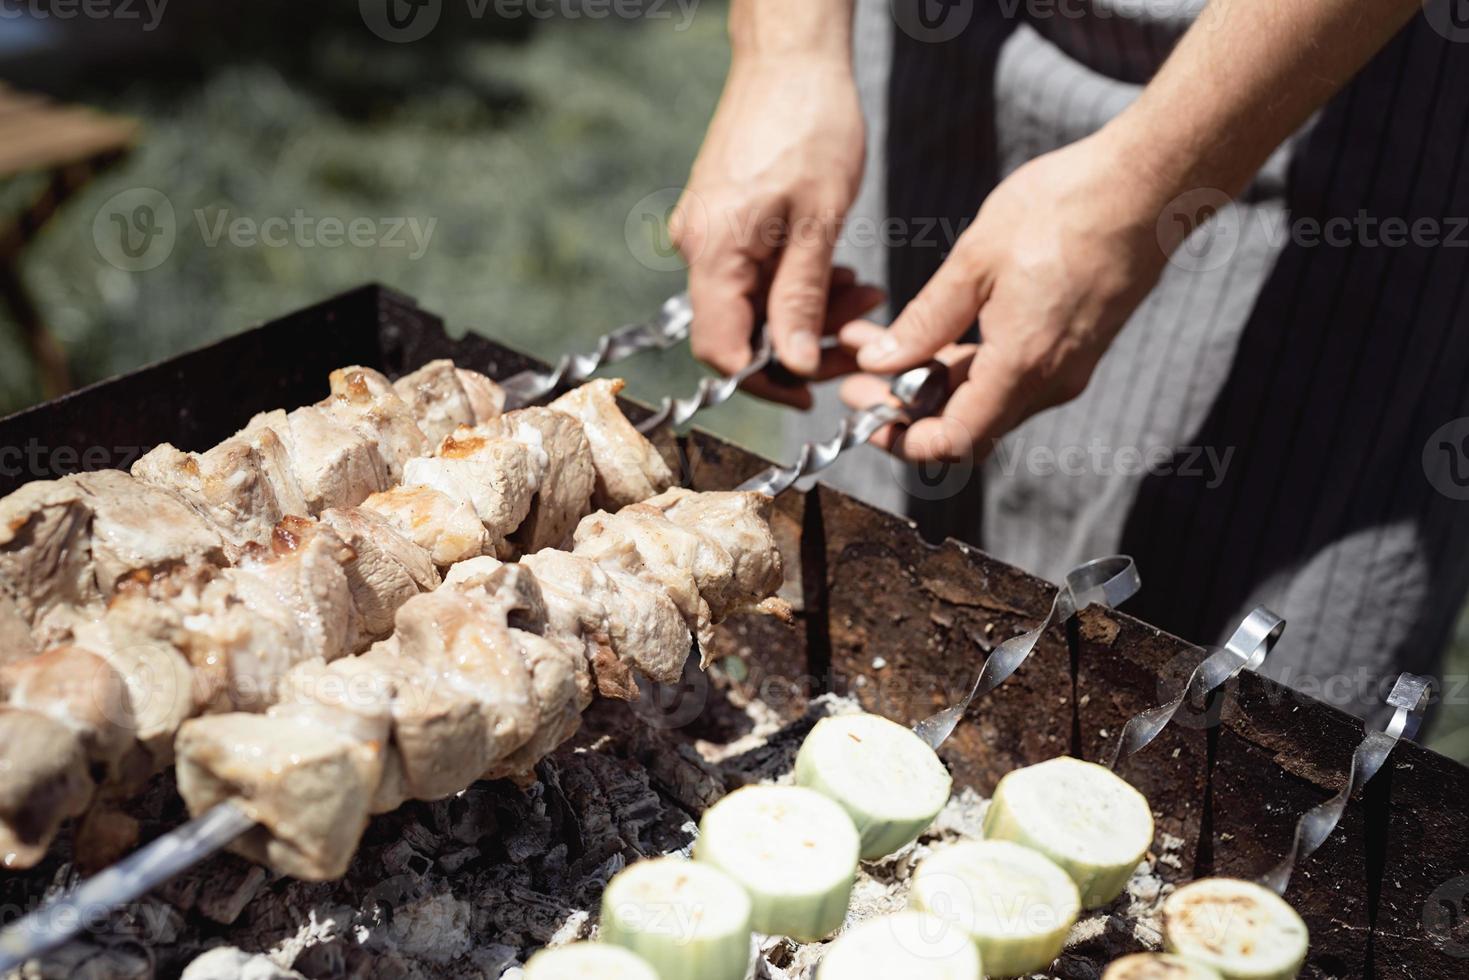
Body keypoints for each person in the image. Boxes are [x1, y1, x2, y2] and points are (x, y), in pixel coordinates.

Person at [672, 0, 1469, 717]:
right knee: (840, 635)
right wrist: (784, 50)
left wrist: (1154, 177)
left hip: (1351, 101)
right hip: (934, 55)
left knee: (1214, 720)